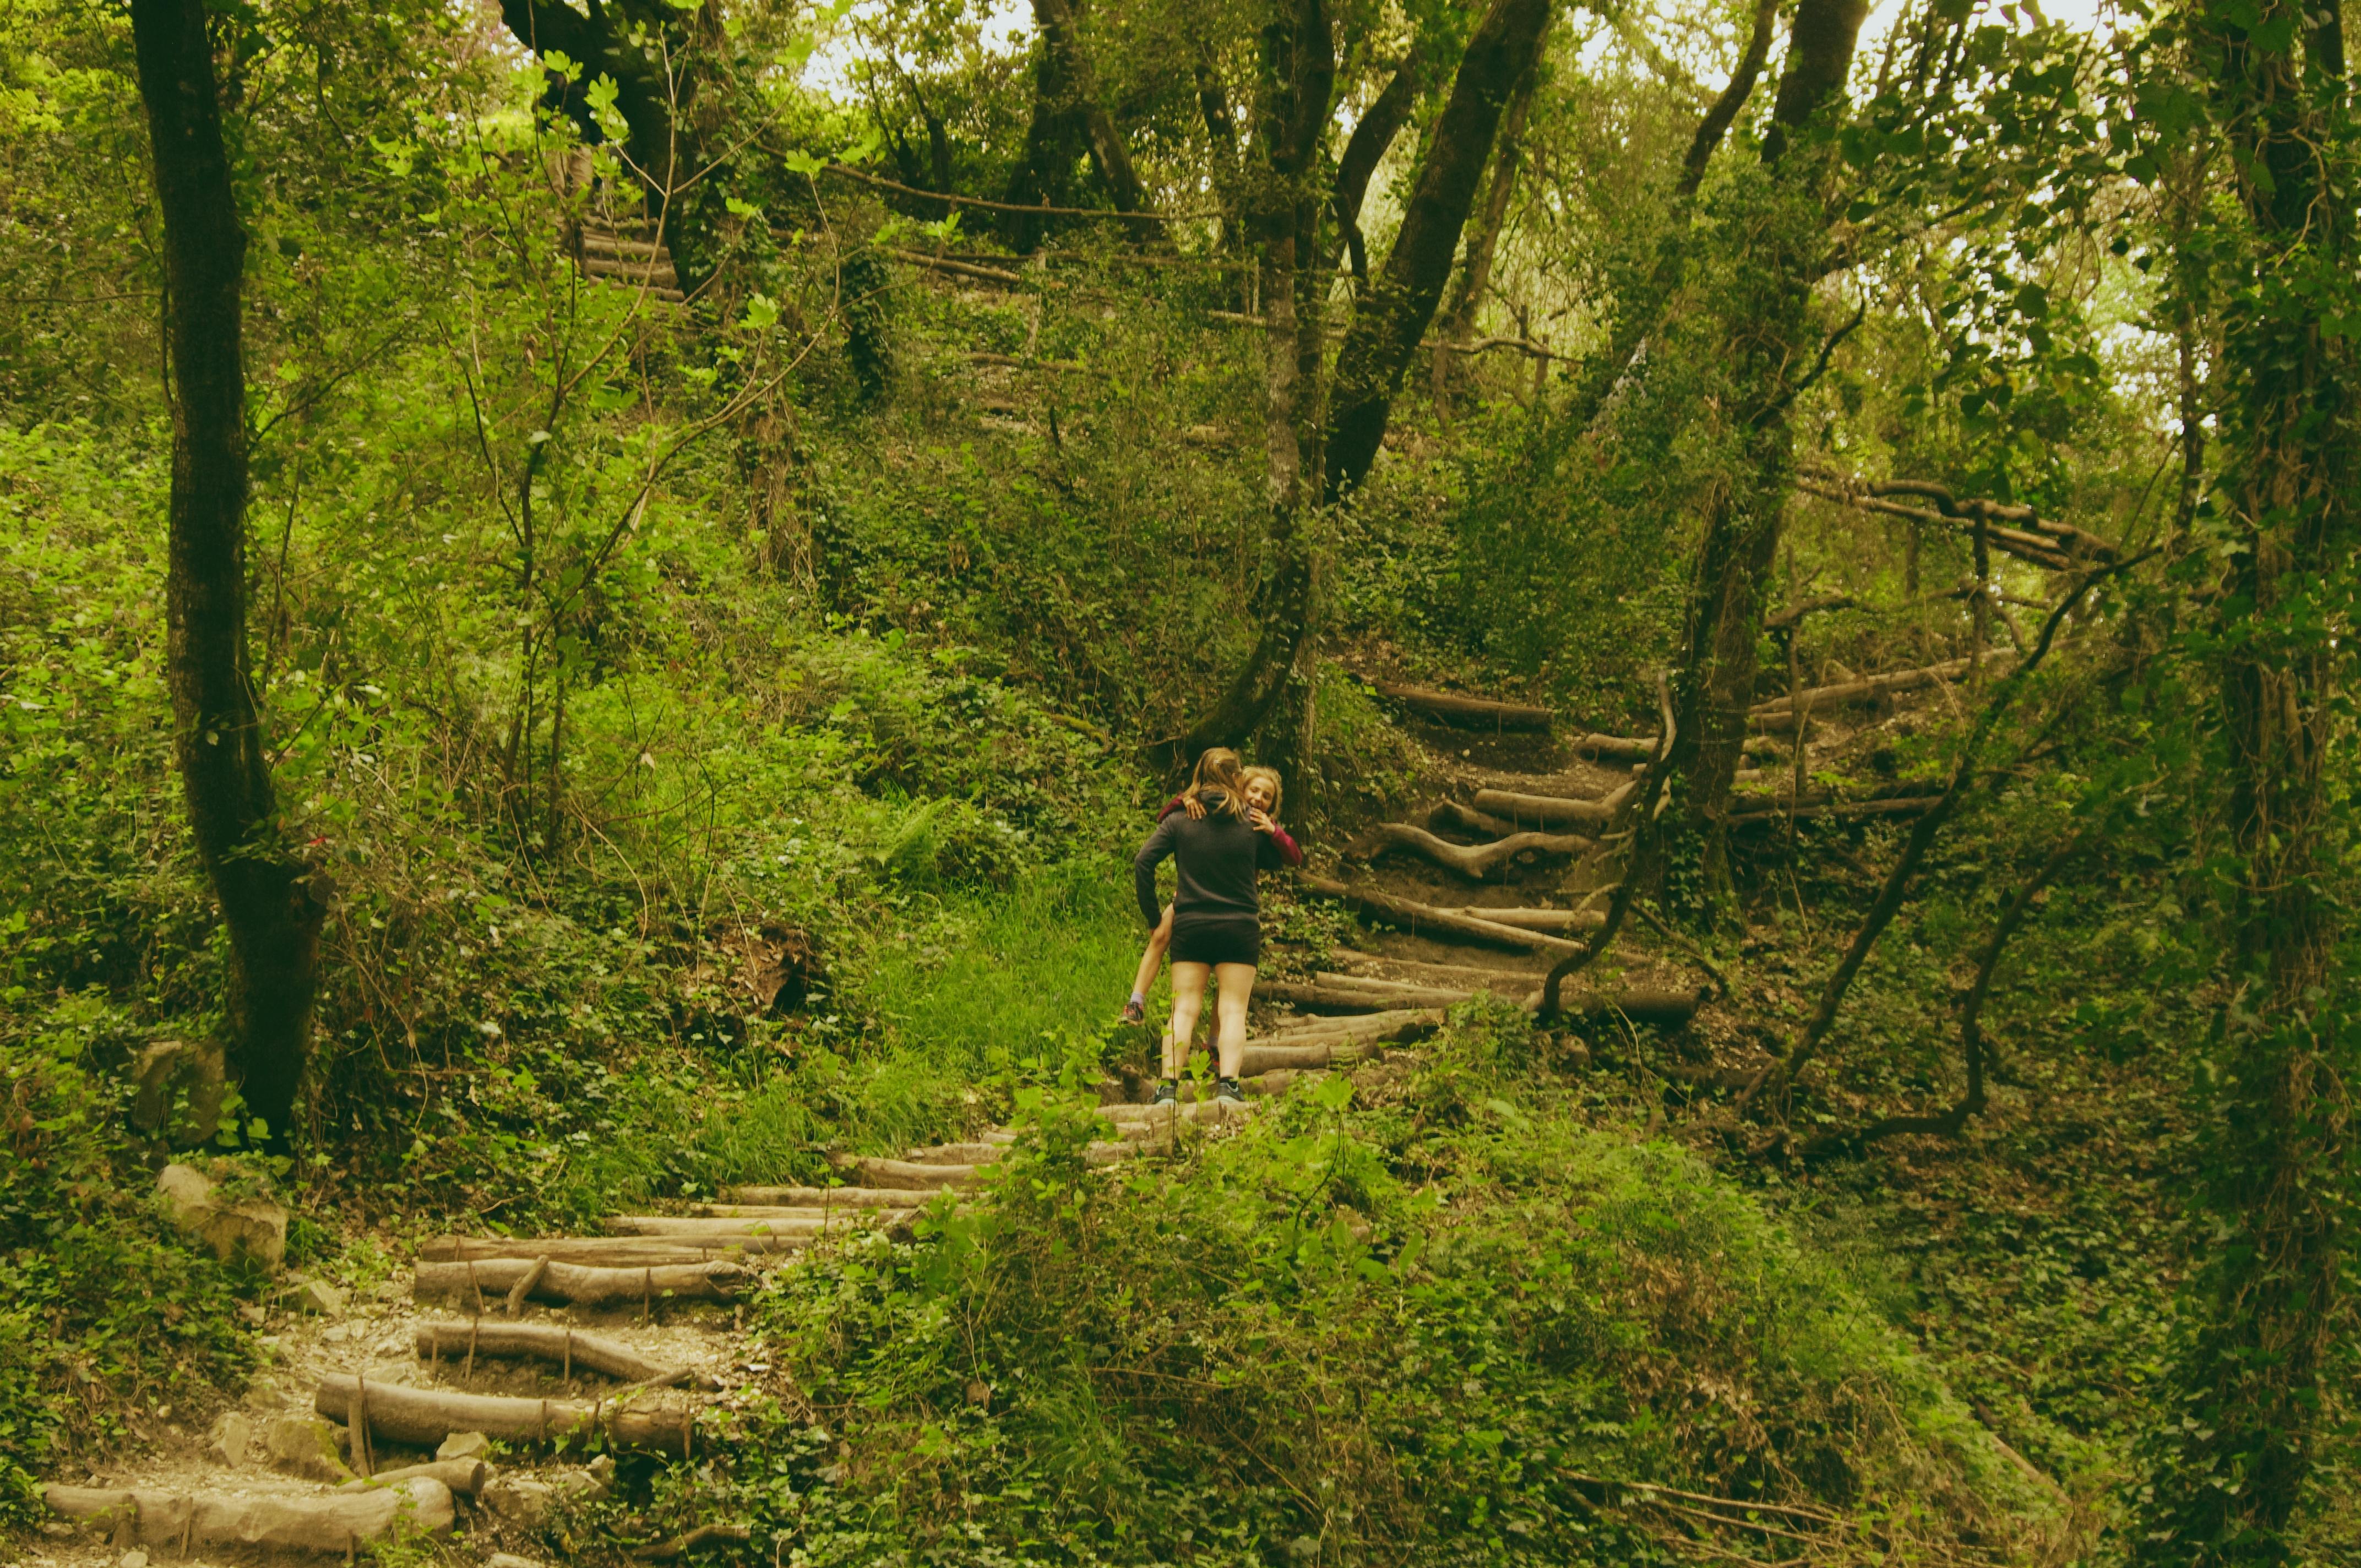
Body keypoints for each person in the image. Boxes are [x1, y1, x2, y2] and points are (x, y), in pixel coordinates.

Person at [1131, 751, 1300, 1104]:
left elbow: (1143, 861)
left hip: (1192, 925)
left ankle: (1167, 1090)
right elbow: (1287, 860)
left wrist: (1153, 917)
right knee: (1233, 1010)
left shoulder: (1181, 818)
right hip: (1239, 928)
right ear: (1237, 779)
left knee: (1185, 1008)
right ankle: (1228, 1087)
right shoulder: (1253, 823)